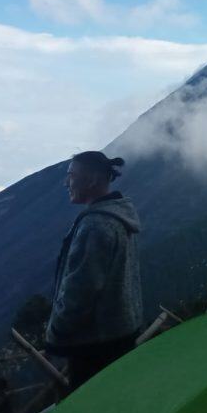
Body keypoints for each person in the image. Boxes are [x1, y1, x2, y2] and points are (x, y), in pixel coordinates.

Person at [47, 151, 143, 394]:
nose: (66, 182)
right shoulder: (118, 217)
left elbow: (81, 290)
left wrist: (57, 328)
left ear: (90, 180)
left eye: (71, 175)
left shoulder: (96, 225)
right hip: (119, 331)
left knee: (91, 412)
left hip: (95, 343)